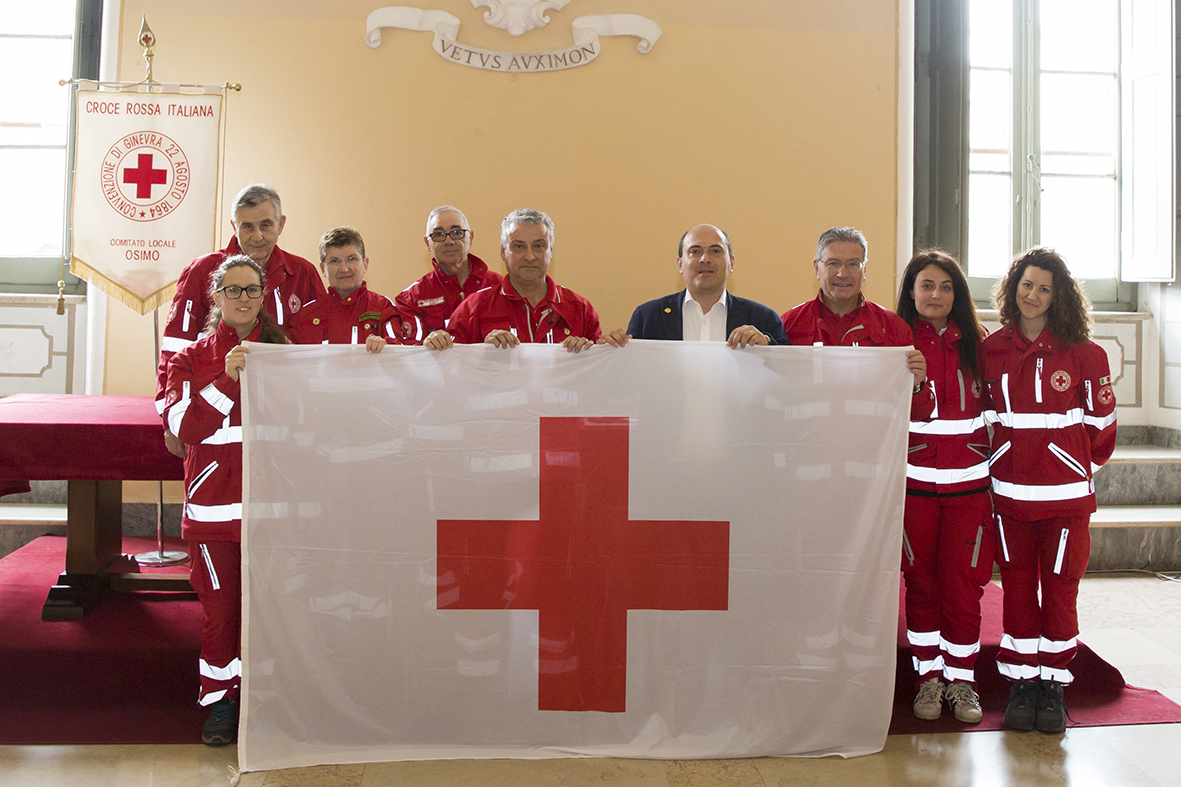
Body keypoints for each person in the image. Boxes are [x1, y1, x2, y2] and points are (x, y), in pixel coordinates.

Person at [984, 247, 1117, 734]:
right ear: (1012, 286)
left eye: (1044, 287)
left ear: (1059, 296)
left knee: (1061, 591)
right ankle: (1021, 683)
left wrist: (1071, 463)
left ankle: (1052, 684)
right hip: (1009, 498)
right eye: (1026, 284)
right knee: (1017, 588)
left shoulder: (1086, 353)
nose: (1033, 295)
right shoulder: (991, 348)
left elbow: (1103, 430)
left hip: (1064, 501)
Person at [161, 254, 291, 746]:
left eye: (251, 290)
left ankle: (269, 700)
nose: (243, 299)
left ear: (264, 296)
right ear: (215, 297)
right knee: (221, 612)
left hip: (269, 512)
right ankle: (220, 703)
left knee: (271, 609)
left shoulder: (282, 350)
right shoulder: (189, 358)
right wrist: (228, 378)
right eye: (232, 290)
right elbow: (185, 426)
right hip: (213, 516)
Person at [895, 250, 994, 724]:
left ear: (958, 294)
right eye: (927, 285)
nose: (936, 295)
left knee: (963, 589)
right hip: (913, 490)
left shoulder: (981, 344)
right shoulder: (892, 342)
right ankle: (927, 680)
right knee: (920, 586)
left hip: (969, 493)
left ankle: (963, 682)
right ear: (911, 291)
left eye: (946, 287)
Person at [156, 184, 325, 455]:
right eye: (247, 226)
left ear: (281, 224)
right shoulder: (201, 272)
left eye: (266, 225)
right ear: (233, 225)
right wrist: (169, 419)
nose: (257, 236)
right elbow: (175, 349)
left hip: (281, 424)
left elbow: (318, 353)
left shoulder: (303, 274)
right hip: (214, 425)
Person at [425, 209, 601, 352]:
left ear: (551, 251)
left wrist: (614, 347)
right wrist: (481, 355)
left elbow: (601, 377)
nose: (530, 256)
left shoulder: (581, 310)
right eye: (519, 246)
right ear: (503, 252)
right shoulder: (473, 309)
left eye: (538, 246)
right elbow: (450, 375)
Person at [781, 226, 927, 387]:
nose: (842, 273)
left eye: (852, 264)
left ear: (864, 270)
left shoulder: (894, 328)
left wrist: (916, 386)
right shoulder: (788, 325)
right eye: (833, 263)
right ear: (817, 268)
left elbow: (916, 411)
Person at [613, 223, 789, 348]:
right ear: (680, 264)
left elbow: (788, 378)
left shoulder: (762, 319)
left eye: (715, 251)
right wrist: (612, 351)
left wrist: (767, 345)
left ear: (732, 263)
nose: (705, 258)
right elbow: (626, 385)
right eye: (695, 251)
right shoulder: (648, 317)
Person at [395, 205, 503, 343]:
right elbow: (411, 353)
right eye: (438, 235)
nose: (449, 241)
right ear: (427, 243)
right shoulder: (411, 299)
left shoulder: (500, 287)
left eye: (457, 232)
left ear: (471, 238)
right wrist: (427, 344)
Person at [287, 226, 403, 352]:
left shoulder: (383, 307)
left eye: (351, 259)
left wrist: (385, 345)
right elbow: (284, 356)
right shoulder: (305, 315)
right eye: (334, 261)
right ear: (322, 269)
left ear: (365, 264)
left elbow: (398, 348)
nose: (344, 269)